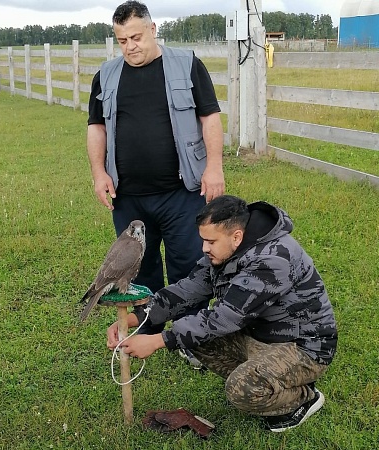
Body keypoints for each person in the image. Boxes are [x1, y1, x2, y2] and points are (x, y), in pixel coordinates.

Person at [107, 195, 338, 432]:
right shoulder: (230, 248)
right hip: (261, 336)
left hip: (304, 347)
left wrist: (158, 341)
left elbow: (224, 318)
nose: (204, 248)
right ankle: (269, 377)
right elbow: (188, 290)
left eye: (210, 241)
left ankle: (302, 398)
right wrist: (137, 317)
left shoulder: (273, 259)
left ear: (236, 236)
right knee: (194, 338)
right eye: (203, 240)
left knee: (242, 389)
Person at [87, 1, 224, 342]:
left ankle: (189, 335)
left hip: (181, 192)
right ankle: (148, 326)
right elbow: (96, 127)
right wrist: (98, 174)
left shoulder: (188, 64)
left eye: (136, 36)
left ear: (153, 29)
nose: (130, 46)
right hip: (128, 196)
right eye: (122, 40)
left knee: (188, 264)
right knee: (140, 268)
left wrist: (214, 166)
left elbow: (210, 117)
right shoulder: (106, 75)